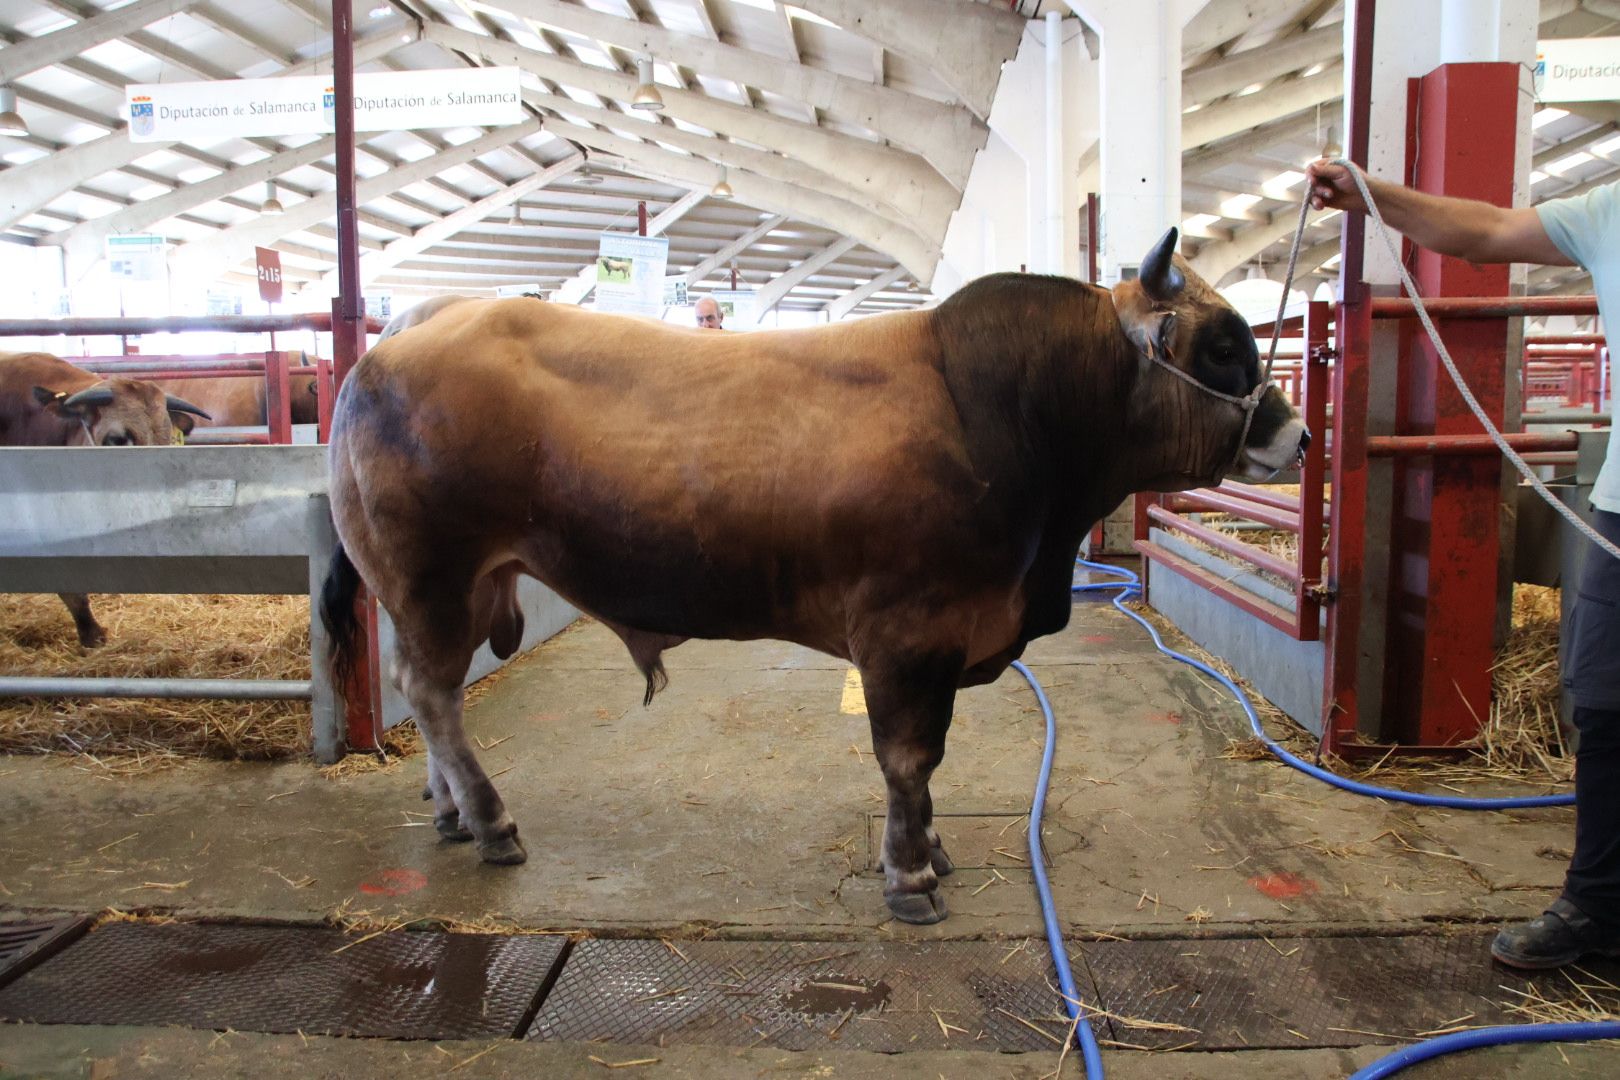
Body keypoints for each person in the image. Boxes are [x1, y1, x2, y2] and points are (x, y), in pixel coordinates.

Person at [1306, 160, 1620, 971]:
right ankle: (1598, 905)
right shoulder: (1609, 209)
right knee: (1606, 706)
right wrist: (1372, 193)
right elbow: (1481, 229)